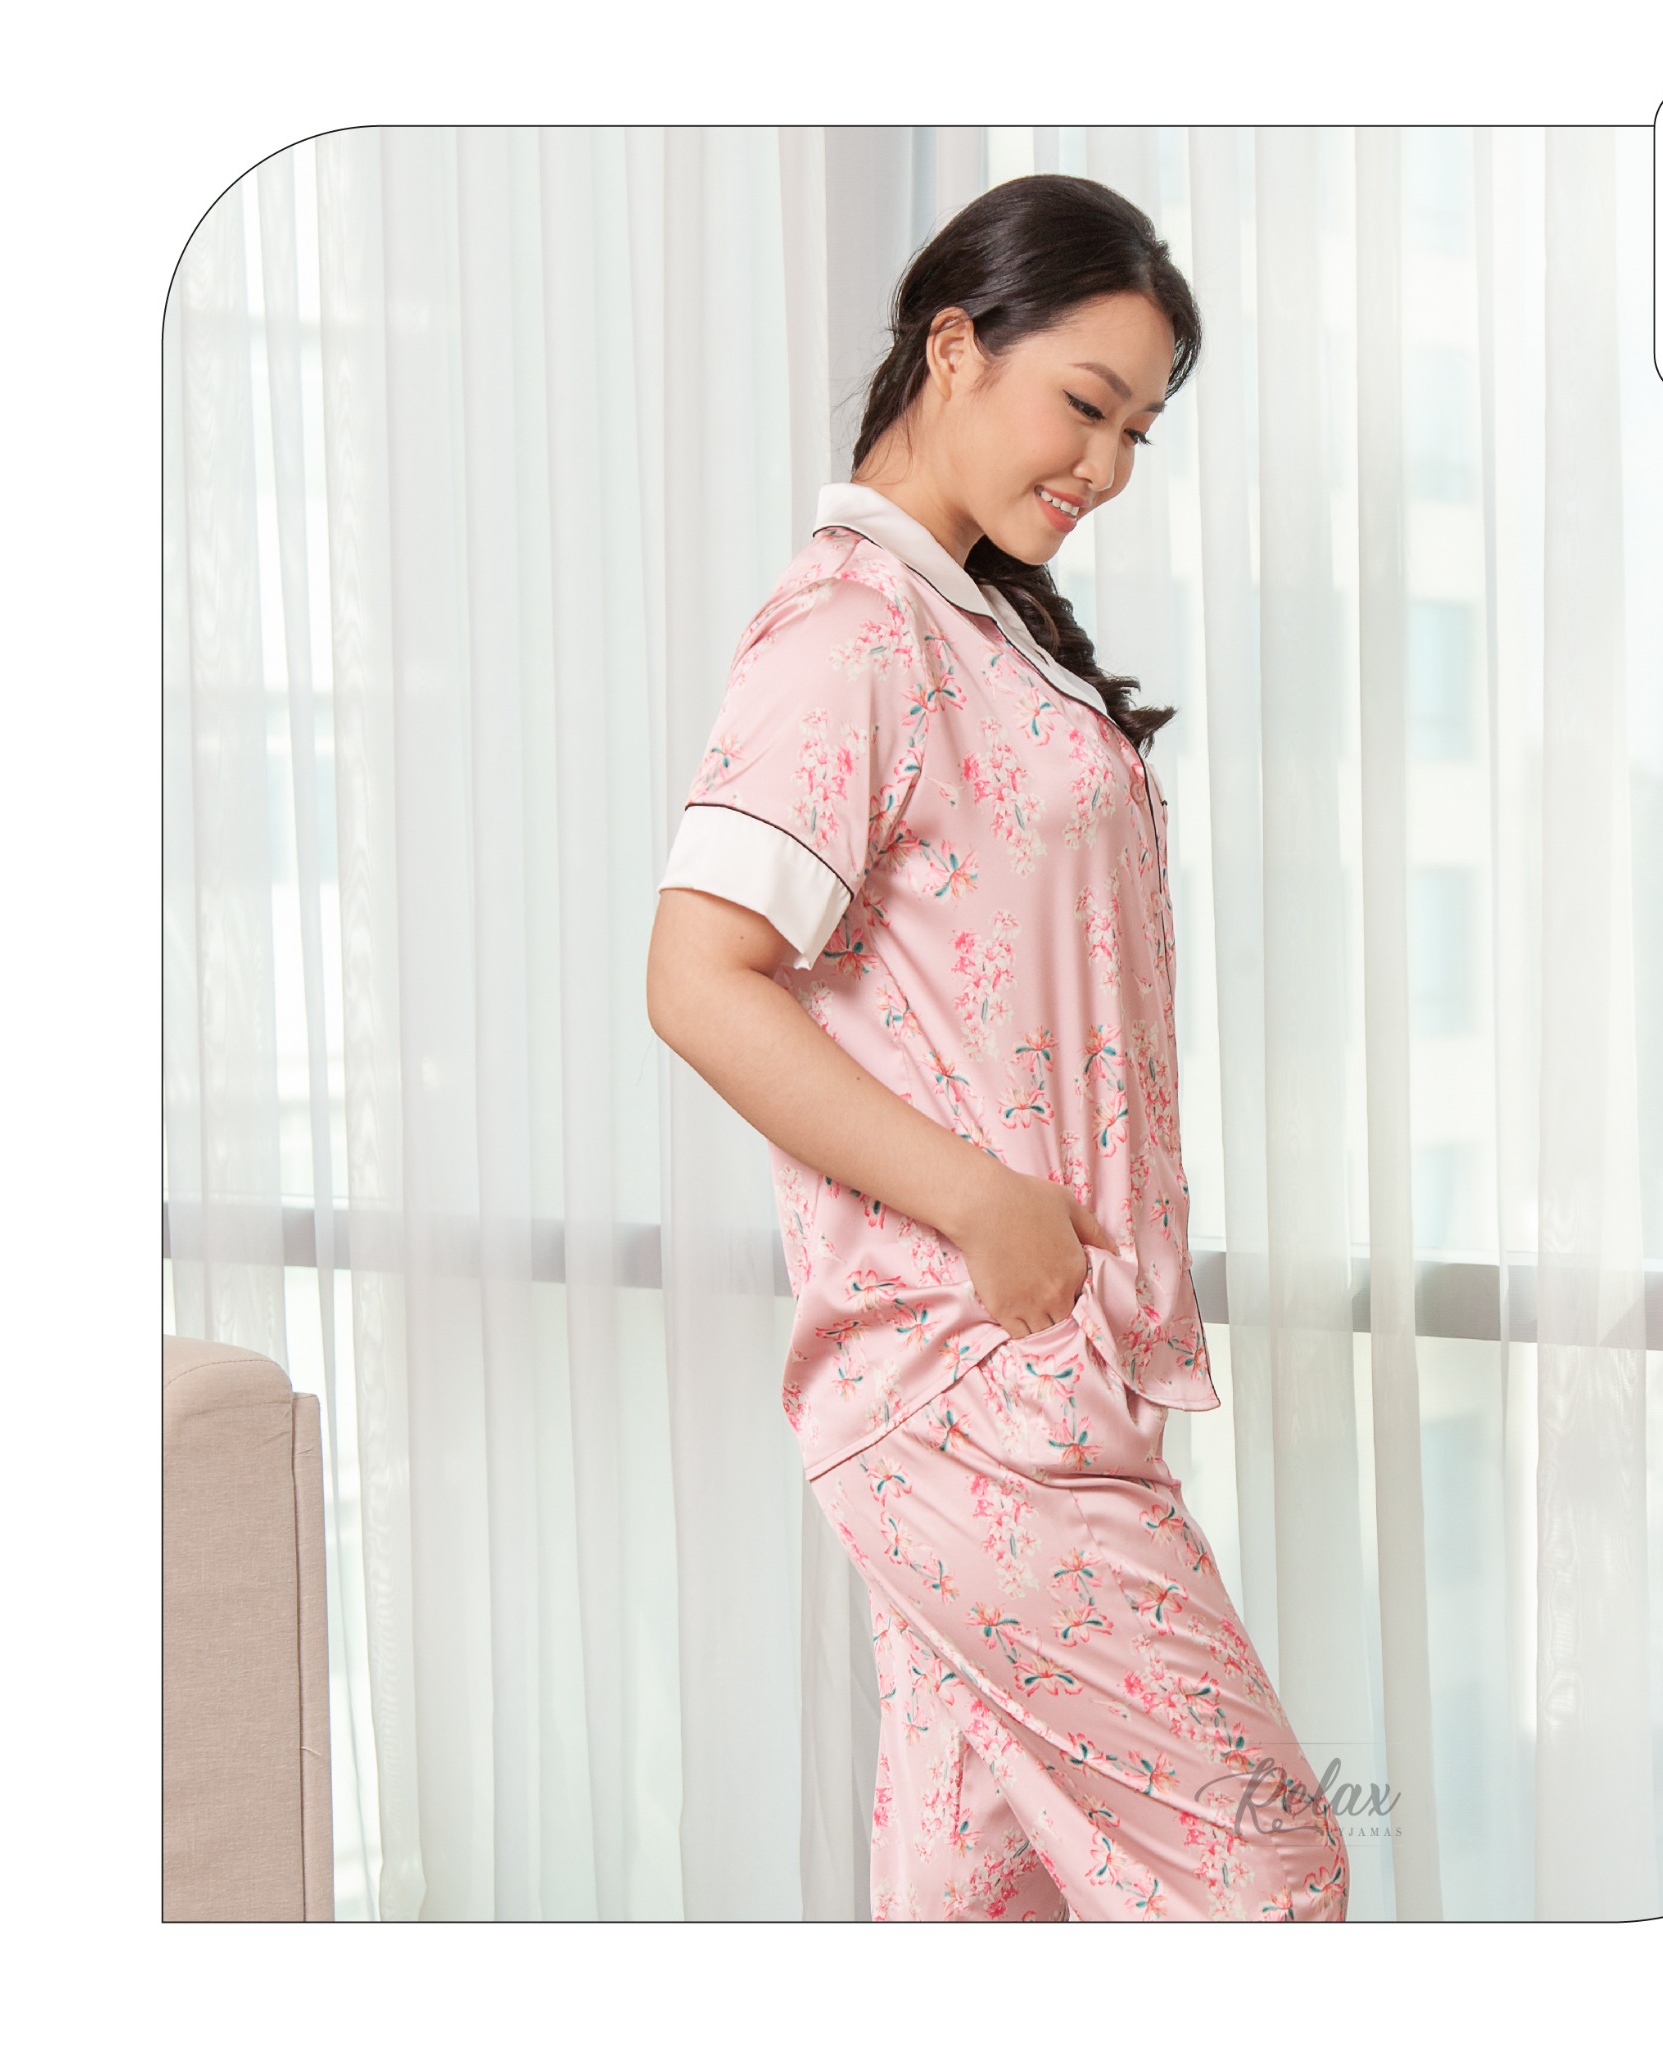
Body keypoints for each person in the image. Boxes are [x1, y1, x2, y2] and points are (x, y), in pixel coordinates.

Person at [645, 173, 1348, 1923]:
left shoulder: (970, 626)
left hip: (1035, 1367)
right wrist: (987, 1208)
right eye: (1085, 405)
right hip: (966, 1382)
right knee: (1267, 1876)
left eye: (1139, 433)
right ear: (954, 347)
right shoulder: (849, 630)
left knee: (979, 1905)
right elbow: (698, 977)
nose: (1105, 466)